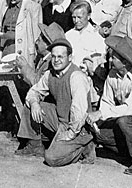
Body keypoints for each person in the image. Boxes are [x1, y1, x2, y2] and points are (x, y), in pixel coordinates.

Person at [86, 35, 132, 175]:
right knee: (101, 135)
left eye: (113, 57)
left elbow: (129, 109)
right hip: (128, 118)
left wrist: (101, 114)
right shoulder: (112, 75)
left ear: (125, 62)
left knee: (125, 120)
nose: (109, 60)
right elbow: (107, 102)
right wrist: (99, 120)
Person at [15, 39, 95, 167]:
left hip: (78, 126)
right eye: (53, 56)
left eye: (60, 56)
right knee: (30, 104)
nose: (56, 60)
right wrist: (35, 103)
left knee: (51, 158)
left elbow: (79, 112)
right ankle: (35, 145)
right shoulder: (50, 74)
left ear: (70, 57)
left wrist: (69, 134)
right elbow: (33, 92)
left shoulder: (76, 76)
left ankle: (84, 146)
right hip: (60, 118)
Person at [0, 0, 42, 64]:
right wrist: (0, 51)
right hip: (7, 49)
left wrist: (33, 54)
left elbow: (35, 34)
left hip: (23, 50)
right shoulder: (5, 5)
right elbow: (2, 28)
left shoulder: (32, 7)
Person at [15, 22, 65, 86]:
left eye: (39, 40)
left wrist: (24, 66)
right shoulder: (43, 58)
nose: (36, 42)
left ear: (47, 45)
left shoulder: (50, 64)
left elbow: (38, 84)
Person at [65, 1, 106, 72]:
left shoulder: (97, 36)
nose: (76, 21)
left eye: (79, 17)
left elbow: (101, 61)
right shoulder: (68, 35)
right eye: (74, 17)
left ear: (89, 16)